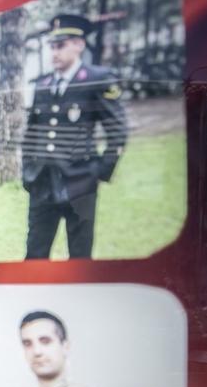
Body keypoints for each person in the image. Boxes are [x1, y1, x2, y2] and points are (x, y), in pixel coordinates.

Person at [22, 14, 129, 260]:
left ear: (79, 45)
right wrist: (28, 171)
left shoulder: (96, 79)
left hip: (80, 182)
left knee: (80, 256)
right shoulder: (43, 84)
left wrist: (101, 170)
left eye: (60, 45)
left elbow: (117, 129)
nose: (54, 53)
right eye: (52, 46)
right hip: (43, 183)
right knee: (34, 254)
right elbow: (32, 133)